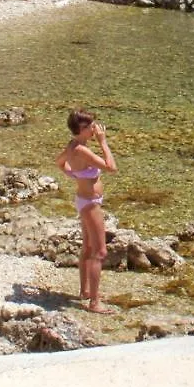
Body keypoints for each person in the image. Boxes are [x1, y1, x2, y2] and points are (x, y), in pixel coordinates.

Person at [55, 109, 117, 313]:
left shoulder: (73, 145)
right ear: (81, 128)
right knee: (100, 252)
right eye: (91, 126)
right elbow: (111, 167)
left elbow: (59, 162)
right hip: (90, 204)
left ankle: (85, 291)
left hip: (85, 199)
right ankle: (94, 302)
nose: (95, 128)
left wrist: (74, 175)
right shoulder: (82, 150)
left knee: (88, 248)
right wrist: (103, 142)